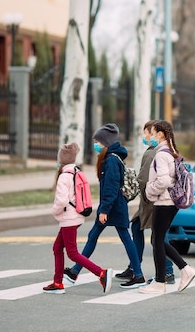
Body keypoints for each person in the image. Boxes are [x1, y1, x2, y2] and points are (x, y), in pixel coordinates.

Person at [63, 123, 147, 289]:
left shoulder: (110, 161)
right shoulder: (110, 158)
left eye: (97, 142)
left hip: (113, 207)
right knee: (95, 236)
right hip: (113, 206)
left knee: (123, 238)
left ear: (105, 143)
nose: (95, 144)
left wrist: (104, 210)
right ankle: (75, 271)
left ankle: (138, 274)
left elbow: (111, 188)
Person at [43, 142, 113, 295]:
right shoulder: (76, 171)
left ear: (61, 160)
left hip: (69, 218)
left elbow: (61, 201)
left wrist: (55, 211)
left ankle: (101, 273)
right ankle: (57, 282)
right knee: (57, 248)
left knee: (72, 253)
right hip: (76, 215)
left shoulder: (63, 176)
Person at [138, 120, 195, 295]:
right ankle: (181, 271)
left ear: (161, 134)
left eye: (153, 132)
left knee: (157, 240)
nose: (150, 136)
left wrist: (149, 190)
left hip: (164, 202)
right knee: (159, 239)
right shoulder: (171, 152)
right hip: (170, 202)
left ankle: (163, 280)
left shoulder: (161, 155)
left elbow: (163, 180)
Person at [115, 120, 175, 285]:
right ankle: (135, 267)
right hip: (156, 199)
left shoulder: (152, 153)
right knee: (140, 228)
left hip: (151, 200)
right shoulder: (168, 149)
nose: (145, 136)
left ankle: (167, 271)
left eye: (147, 133)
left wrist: (131, 191)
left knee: (158, 236)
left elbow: (143, 179)